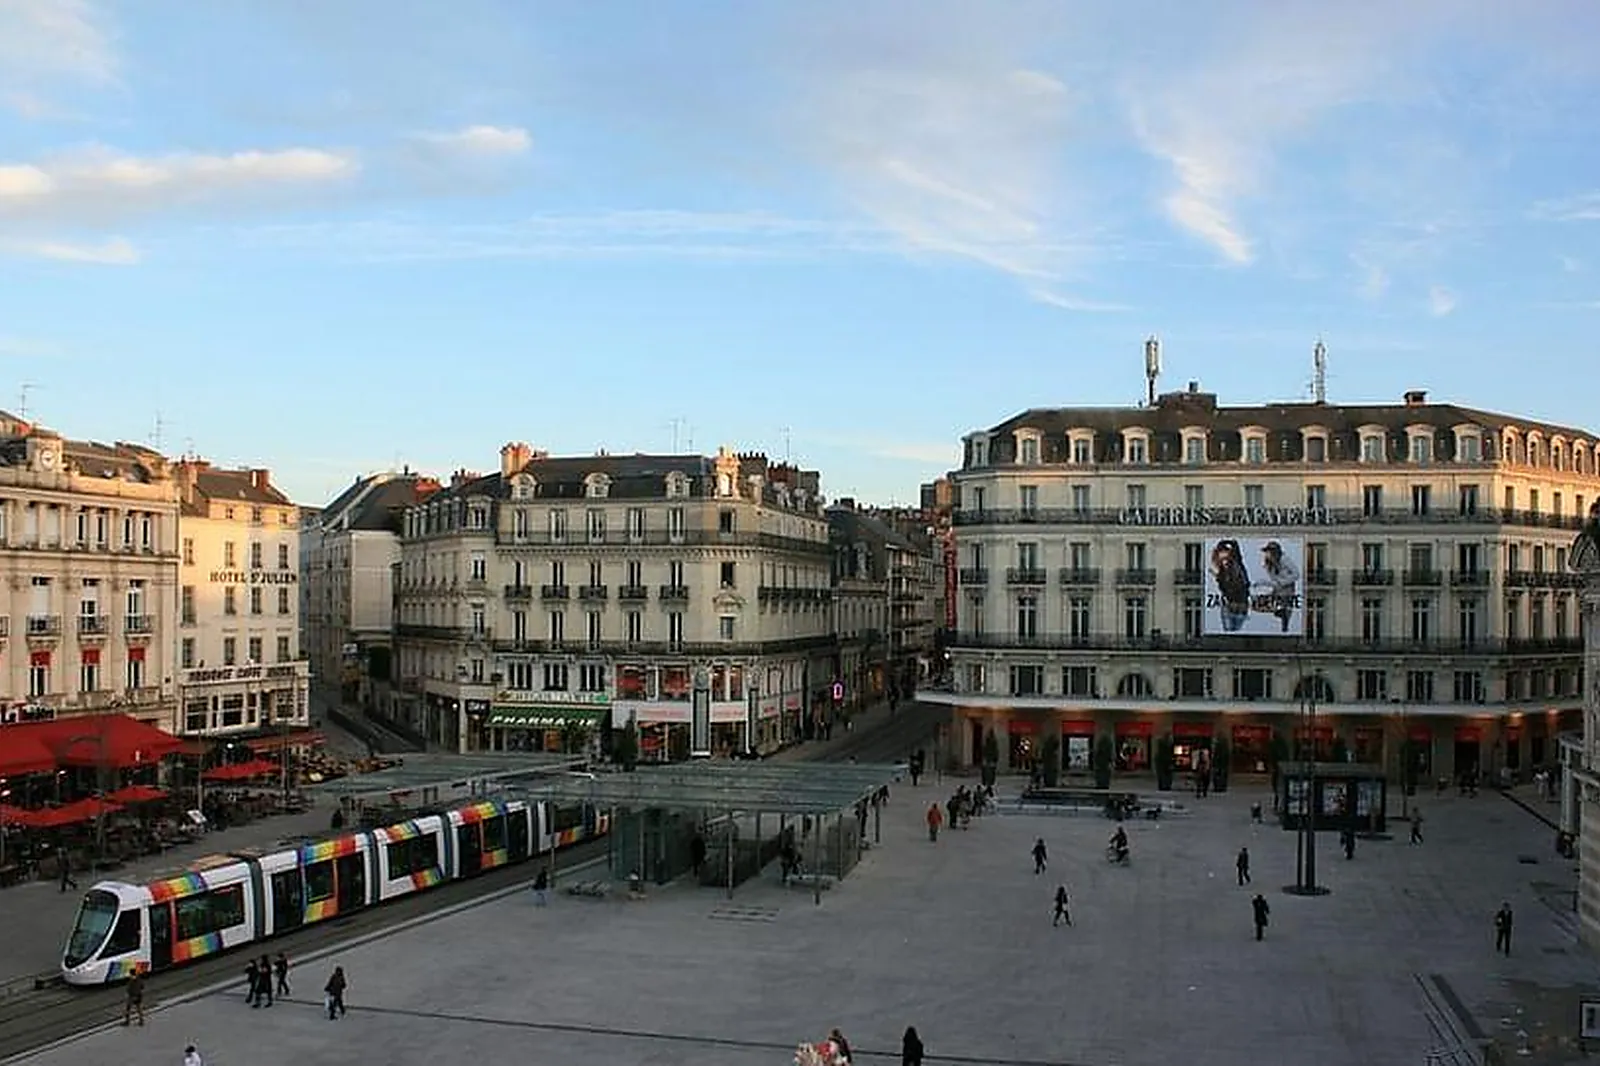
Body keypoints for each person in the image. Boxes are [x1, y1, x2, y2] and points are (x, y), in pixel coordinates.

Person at [1258, 541, 1301, 633]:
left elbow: (1296, 574)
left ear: (1274, 553)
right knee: (1265, 602)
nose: (1266, 554)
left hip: (1287, 588)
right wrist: (1263, 583)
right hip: (1278, 588)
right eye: (1266, 552)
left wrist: (1284, 582)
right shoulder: (1268, 565)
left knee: (1284, 605)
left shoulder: (1284, 559)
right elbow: (1275, 582)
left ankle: (1285, 622)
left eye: (1268, 552)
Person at [1211, 539, 1251, 632]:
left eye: (1226, 554)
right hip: (1229, 607)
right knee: (1229, 633)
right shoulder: (1221, 572)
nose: (1224, 560)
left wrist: (1223, 542)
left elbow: (1235, 544)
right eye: (1221, 556)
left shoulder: (1237, 563)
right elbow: (1224, 589)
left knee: (1236, 632)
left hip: (1241, 606)